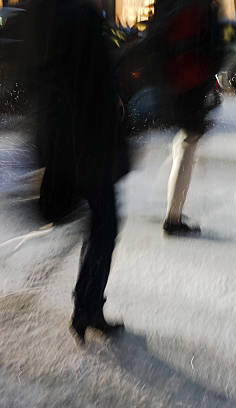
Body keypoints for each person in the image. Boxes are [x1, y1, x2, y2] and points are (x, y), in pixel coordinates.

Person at [29, 0, 130, 343]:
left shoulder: (61, 12)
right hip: (87, 144)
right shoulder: (75, 14)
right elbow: (84, 81)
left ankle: (87, 307)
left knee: (103, 225)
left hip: (78, 142)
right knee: (106, 224)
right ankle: (87, 308)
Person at [147, 0, 224, 235]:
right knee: (186, 146)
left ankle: (171, 208)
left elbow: (155, 40)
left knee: (182, 145)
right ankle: (172, 218)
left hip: (172, 86)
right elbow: (215, 51)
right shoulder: (200, 8)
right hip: (190, 88)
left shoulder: (171, 5)